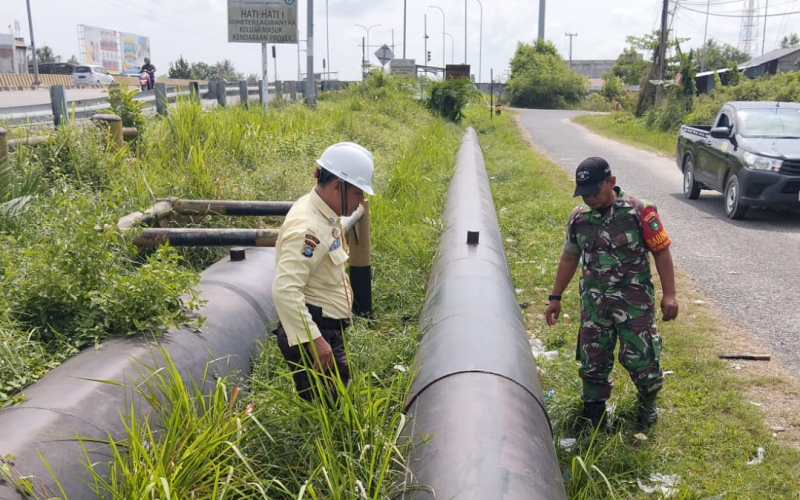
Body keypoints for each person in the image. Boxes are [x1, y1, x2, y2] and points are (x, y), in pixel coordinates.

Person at [545, 157, 678, 429]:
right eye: (584, 193)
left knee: (641, 359)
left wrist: (670, 294)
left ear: (612, 182)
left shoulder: (639, 211)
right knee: (593, 359)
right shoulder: (579, 218)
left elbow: (661, 252)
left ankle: (647, 403)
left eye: (595, 191)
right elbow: (569, 258)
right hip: (594, 305)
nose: (590, 198)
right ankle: (594, 413)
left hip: (634, 305)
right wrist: (555, 297)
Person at [271, 142, 375, 402]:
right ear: (337, 187)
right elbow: (284, 289)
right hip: (316, 332)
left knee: (333, 404)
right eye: (357, 192)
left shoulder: (324, 213)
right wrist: (314, 341)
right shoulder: (309, 229)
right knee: (330, 412)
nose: (361, 201)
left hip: (326, 329)